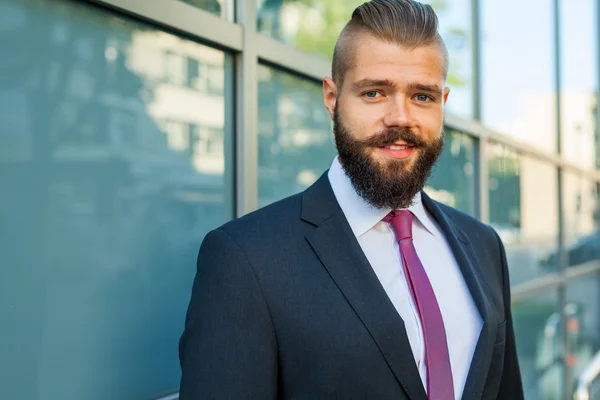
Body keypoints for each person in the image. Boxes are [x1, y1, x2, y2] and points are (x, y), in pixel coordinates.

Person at [178, 0, 524, 399]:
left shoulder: (483, 245)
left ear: (442, 104)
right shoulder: (246, 260)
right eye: (374, 92)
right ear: (332, 97)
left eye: (422, 97)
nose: (400, 117)